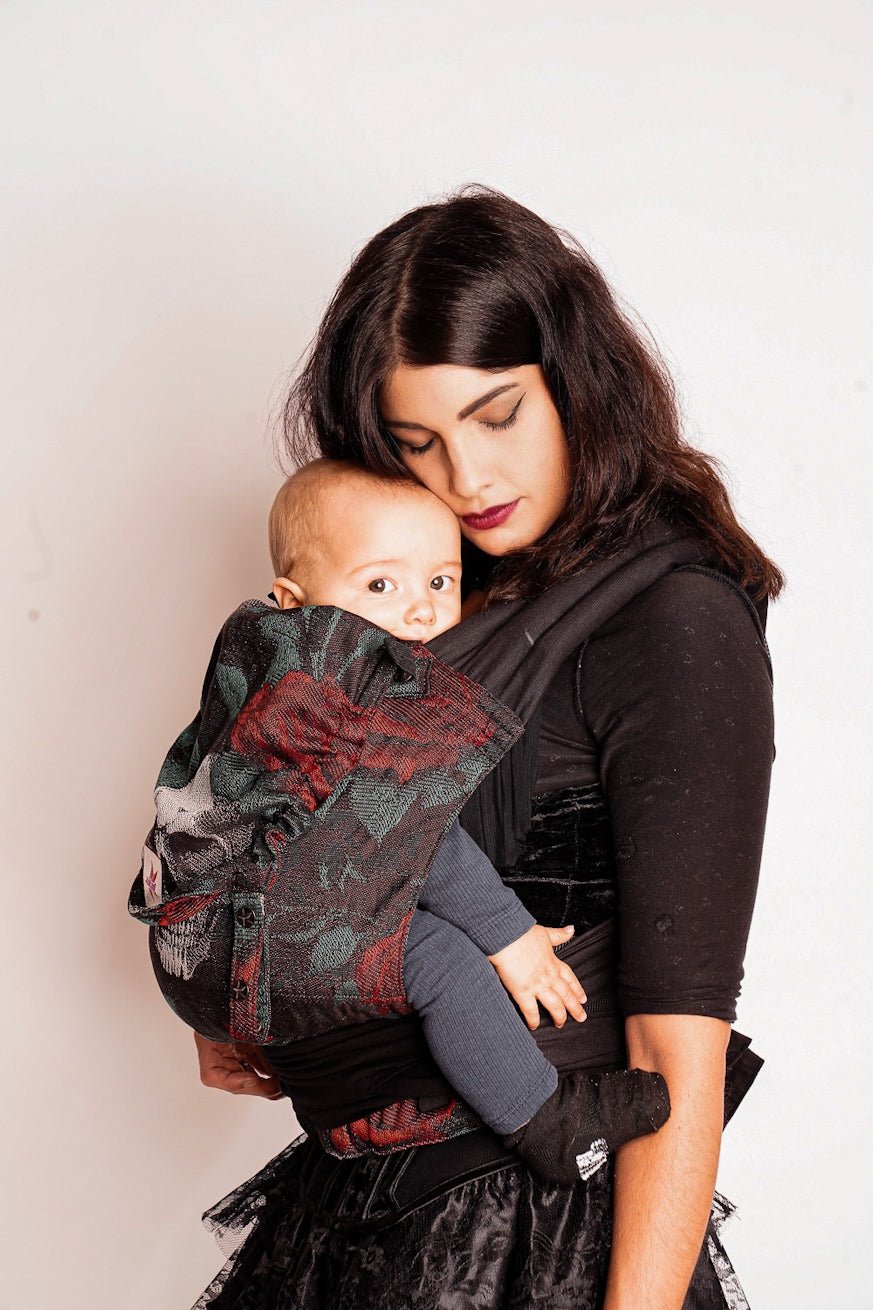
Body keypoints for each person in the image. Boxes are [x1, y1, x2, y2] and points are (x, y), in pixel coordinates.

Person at [190, 184, 780, 1309]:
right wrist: (249, 991)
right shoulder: (410, 609)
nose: (466, 480)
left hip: (540, 1233)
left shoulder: (673, 624)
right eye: (418, 443)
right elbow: (303, 828)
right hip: (364, 1205)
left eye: (496, 415)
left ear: (576, 382)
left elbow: (675, 1049)